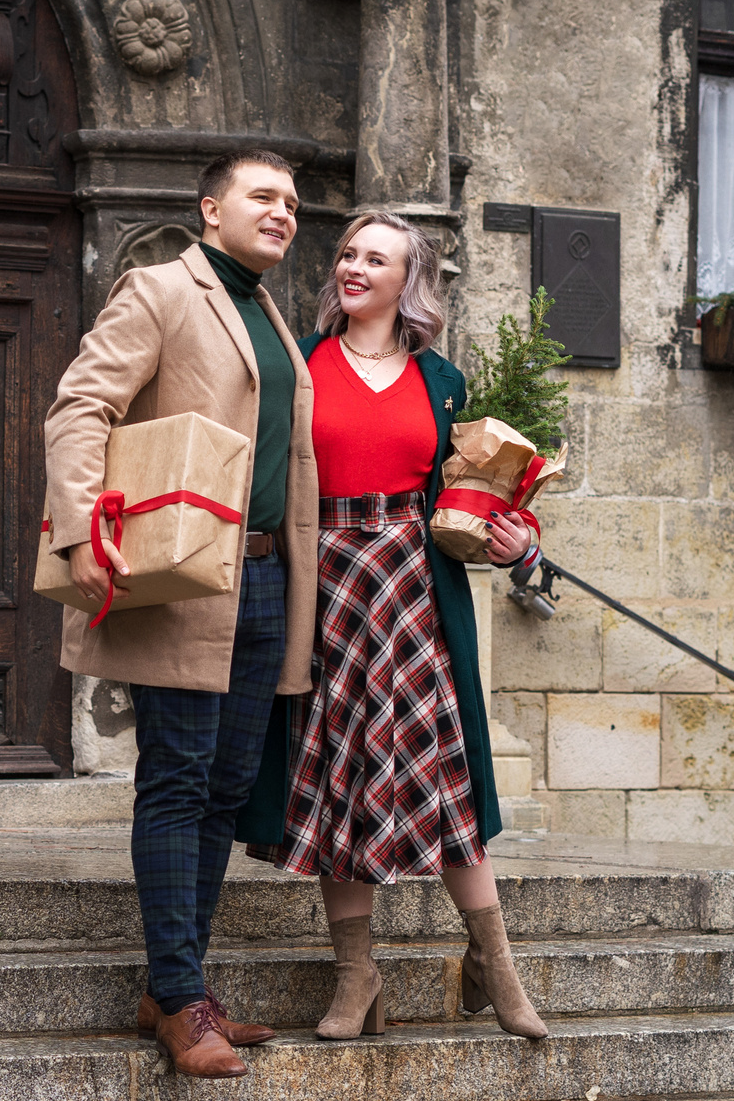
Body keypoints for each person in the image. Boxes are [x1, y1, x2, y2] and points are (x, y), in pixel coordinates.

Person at [235, 210, 550, 1043]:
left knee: (443, 778)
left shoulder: (444, 381)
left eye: (375, 257)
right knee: (340, 776)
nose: (353, 266)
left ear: (407, 280)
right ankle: (356, 975)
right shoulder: (298, 362)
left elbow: (474, 494)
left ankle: (497, 965)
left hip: (413, 589)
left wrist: (517, 543)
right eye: (347, 252)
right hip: (326, 583)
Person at [43, 152, 319, 1079]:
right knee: (178, 775)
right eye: (262, 197)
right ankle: (178, 995)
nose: (282, 213)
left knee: (228, 786)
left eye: (291, 202)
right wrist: (80, 530)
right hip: (181, 574)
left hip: (268, 581)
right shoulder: (161, 290)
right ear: (210, 208)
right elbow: (82, 406)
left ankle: (177, 987)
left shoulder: (275, 317)